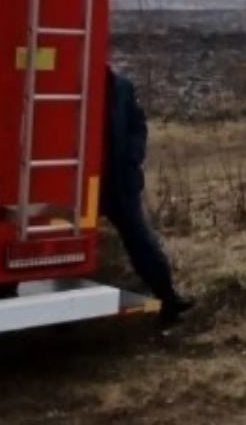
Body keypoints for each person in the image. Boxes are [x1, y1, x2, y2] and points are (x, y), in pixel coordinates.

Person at [101, 64, 195, 324]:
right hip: (76, 183)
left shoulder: (120, 87)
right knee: (56, 242)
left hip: (117, 181)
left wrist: (131, 159)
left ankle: (168, 299)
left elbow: (138, 126)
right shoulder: (70, 86)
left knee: (140, 238)